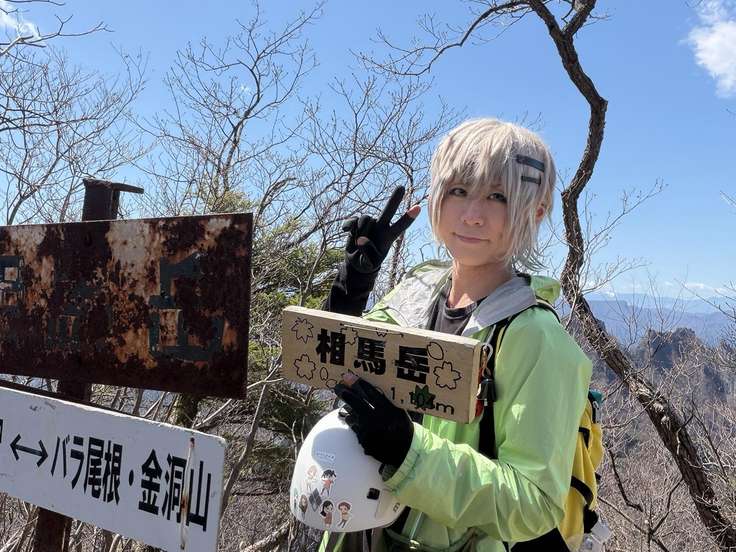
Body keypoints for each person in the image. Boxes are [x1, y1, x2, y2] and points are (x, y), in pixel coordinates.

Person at [320, 118, 592, 551]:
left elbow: (534, 504)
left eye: (498, 197)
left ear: (536, 210)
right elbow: (343, 375)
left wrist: (410, 453)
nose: (471, 215)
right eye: (459, 190)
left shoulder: (534, 338)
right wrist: (351, 290)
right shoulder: (415, 293)